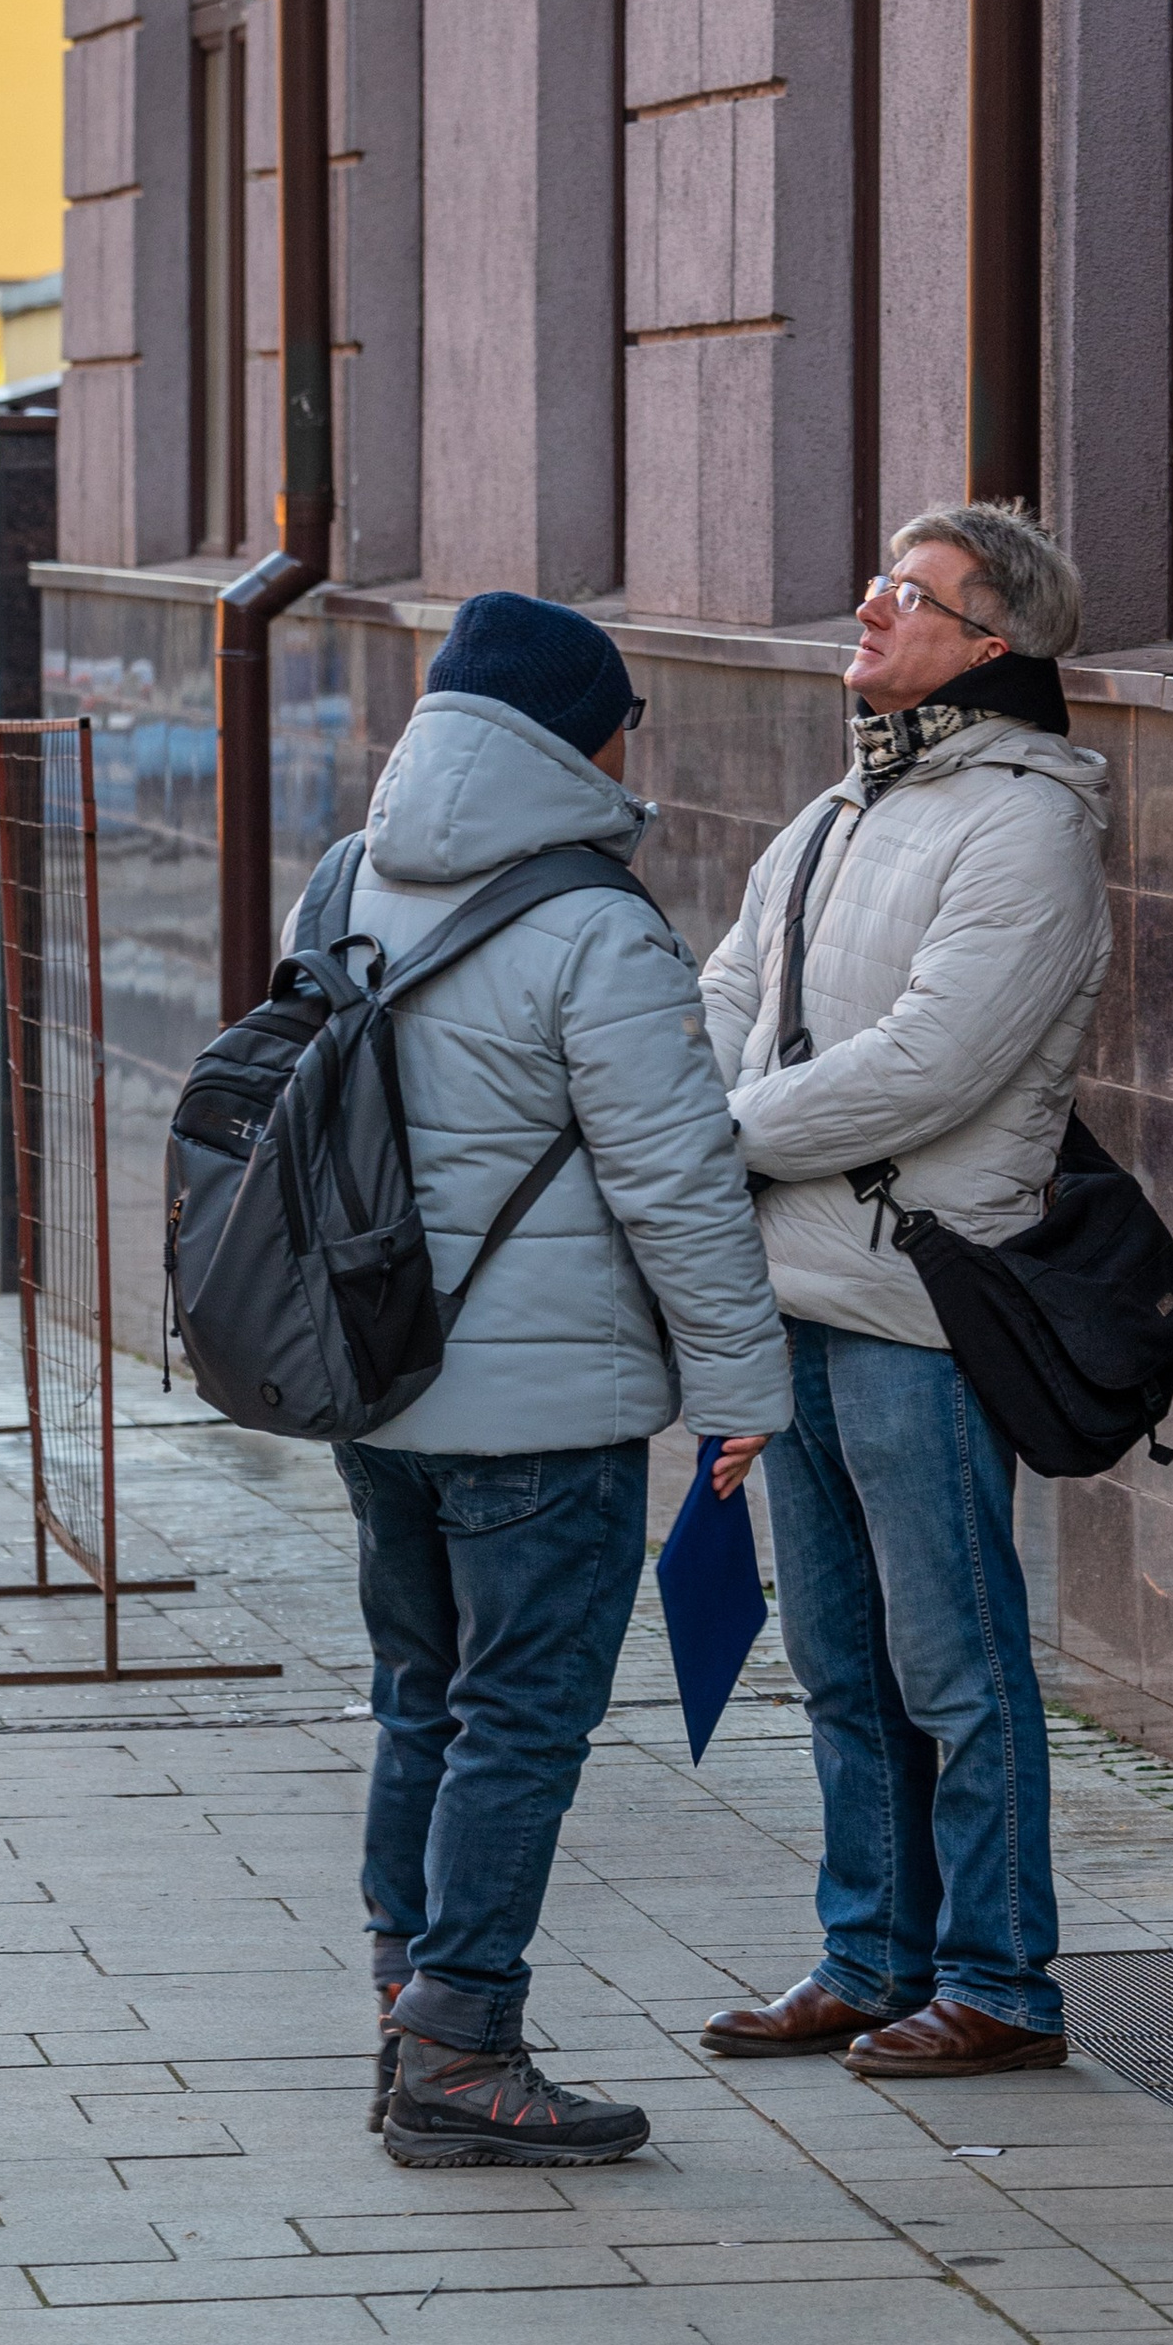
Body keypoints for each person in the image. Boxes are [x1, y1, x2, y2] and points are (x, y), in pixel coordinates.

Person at [315, 591, 793, 2169]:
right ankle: (460, 2045)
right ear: (576, 737)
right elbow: (680, 1182)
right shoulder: (596, 923)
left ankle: (409, 2000)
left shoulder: (345, 880)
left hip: (376, 1393)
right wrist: (740, 1391)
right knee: (521, 1719)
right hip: (547, 1416)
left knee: (422, 1699)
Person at [698, 504, 1112, 2079]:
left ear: (992, 643)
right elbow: (730, 991)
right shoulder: (840, 809)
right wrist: (676, 1111)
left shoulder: (1027, 822)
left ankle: (1003, 1977)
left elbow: (934, 1064)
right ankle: (871, 1953)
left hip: (918, 1306)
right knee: (838, 1656)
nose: (869, 607)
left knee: (955, 1656)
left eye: (910, 593)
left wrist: (713, 1136)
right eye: (874, 577)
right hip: (792, 1289)